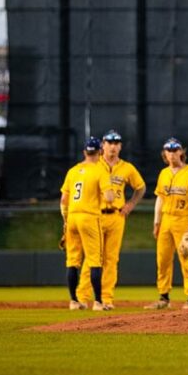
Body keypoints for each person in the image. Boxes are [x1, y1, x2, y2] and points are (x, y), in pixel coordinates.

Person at [76, 130, 146, 310]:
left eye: (116, 143)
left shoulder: (126, 168)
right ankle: (82, 297)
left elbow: (141, 187)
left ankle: (106, 299)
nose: (113, 146)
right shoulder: (94, 165)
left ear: (120, 146)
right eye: (109, 142)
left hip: (116, 216)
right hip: (96, 215)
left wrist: (130, 204)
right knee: (92, 258)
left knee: (111, 259)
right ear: (102, 146)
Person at [146, 138, 188, 310]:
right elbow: (160, 198)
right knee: (162, 259)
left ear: (181, 152)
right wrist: (156, 222)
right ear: (164, 154)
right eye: (168, 151)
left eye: (174, 150)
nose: (171, 154)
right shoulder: (163, 173)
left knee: (187, 257)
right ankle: (164, 297)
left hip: (184, 219)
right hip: (166, 220)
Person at [60, 137, 113, 310]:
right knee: (94, 260)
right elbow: (110, 198)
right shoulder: (100, 170)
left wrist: (65, 221)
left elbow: (63, 200)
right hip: (89, 217)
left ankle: (74, 301)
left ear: (84, 152)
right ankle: (98, 302)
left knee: (72, 261)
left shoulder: (73, 171)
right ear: (100, 152)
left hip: (72, 217)